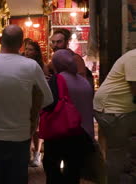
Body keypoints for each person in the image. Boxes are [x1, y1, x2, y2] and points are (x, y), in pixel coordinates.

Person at [0, 25, 53, 184]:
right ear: (21, 44)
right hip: (19, 136)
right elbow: (47, 99)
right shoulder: (31, 66)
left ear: (1, 40)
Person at [42, 49, 95, 184]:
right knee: (73, 170)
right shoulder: (84, 82)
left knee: (52, 166)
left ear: (56, 64)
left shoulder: (57, 80)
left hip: (62, 131)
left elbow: (48, 104)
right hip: (81, 133)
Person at [93, 48, 136, 183]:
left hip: (121, 108)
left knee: (122, 149)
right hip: (113, 109)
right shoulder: (134, 57)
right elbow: (135, 87)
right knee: (118, 151)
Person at [23, 40, 47, 167]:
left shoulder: (41, 66)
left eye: (30, 49)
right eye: (26, 49)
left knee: (37, 129)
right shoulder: (21, 62)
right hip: (25, 99)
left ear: (36, 52)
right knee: (27, 127)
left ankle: (37, 154)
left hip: (37, 100)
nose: (27, 52)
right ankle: (26, 153)